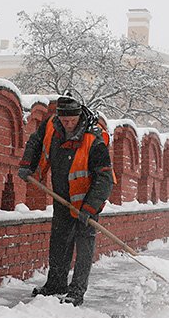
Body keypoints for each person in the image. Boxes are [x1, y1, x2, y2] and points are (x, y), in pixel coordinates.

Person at [18, 96, 114, 306]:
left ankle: (77, 291)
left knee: (83, 244)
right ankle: (56, 284)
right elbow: (35, 141)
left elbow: (105, 177)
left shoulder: (93, 139)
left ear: (79, 117)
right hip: (62, 197)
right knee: (59, 240)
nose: (68, 124)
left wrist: (90, 207)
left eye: (72, 120)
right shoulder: (52, 125)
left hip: (87, 200)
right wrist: (27, 164)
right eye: (64, 120)